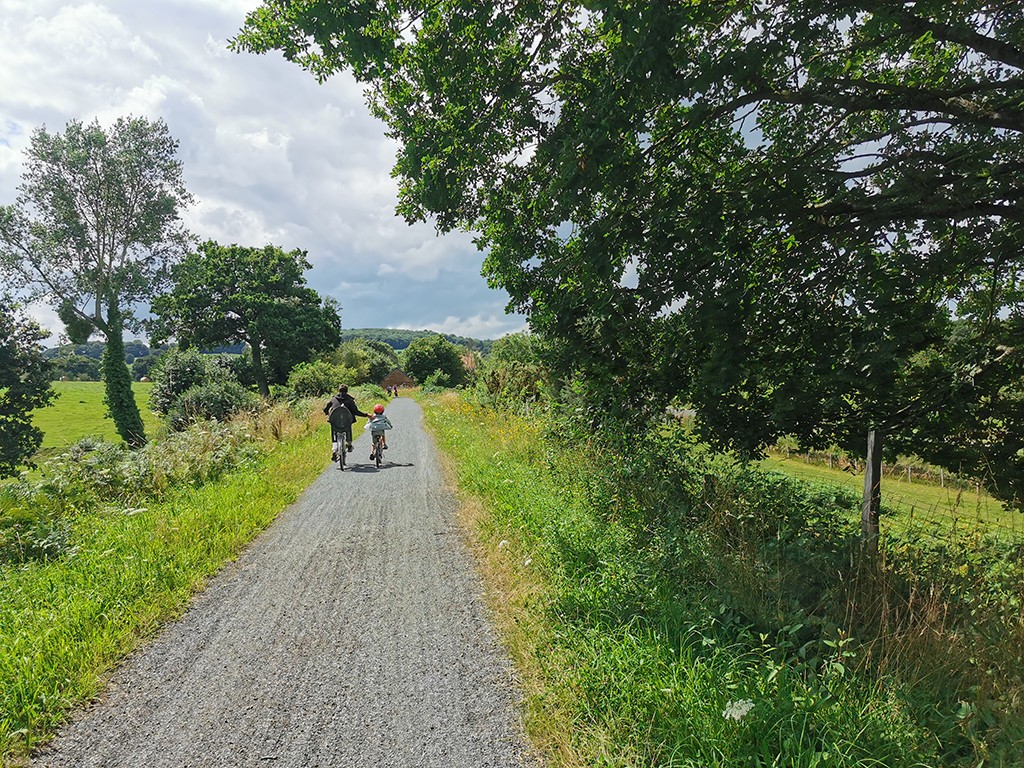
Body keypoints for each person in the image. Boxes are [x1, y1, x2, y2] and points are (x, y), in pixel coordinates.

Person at [323, 385, 369, 461]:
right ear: (347, 391)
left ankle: (334, 450)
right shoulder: (350, 400)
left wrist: (327, 414)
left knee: (334, 433)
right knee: (348, 429)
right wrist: (366, 415)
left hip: (335, 421)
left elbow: (325, 409)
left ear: (338, 390)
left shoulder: (333, 399)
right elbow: (355, 411)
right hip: (346, 421)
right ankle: (349, 444)